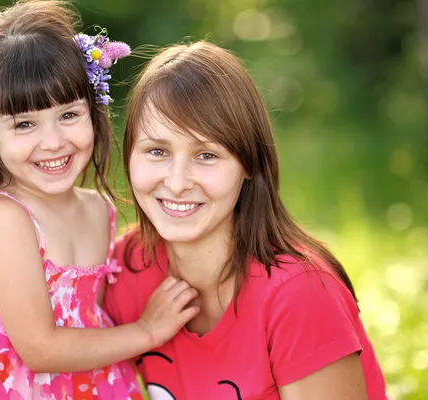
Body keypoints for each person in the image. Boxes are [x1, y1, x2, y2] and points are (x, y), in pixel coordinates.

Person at [0, 1, 199, 398]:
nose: (53, 142)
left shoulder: (99, 209)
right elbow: (40, 349)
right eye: (24, 124)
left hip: (87, 384)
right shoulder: (2, 217)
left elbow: (86, 317)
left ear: (92, 111)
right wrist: (146, 331)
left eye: (68, 115)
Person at [104, 41, 388, 400]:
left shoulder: (298, 294)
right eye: (157, 151)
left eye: (206, 155)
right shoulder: (124, 268)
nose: (176, 182)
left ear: (249, 164)